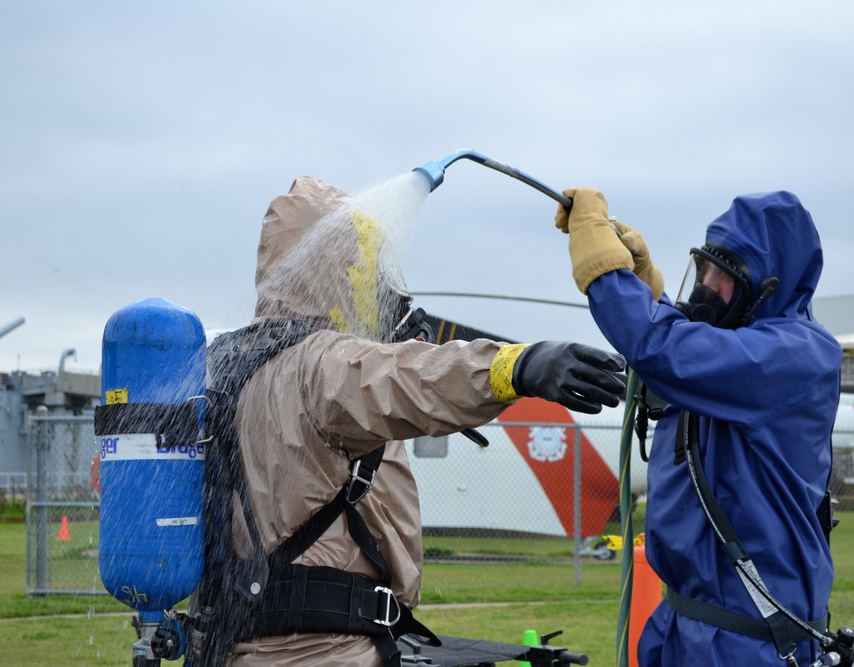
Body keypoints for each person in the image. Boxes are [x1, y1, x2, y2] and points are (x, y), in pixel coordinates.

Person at [193, 176, 628, 667]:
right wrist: (515, 367)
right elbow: (404, 380)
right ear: (334, 268)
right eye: (364, 268)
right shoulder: (319, 365)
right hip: (322, 652)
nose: (375, 284)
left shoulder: (233, 366)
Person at [552, 189, 842, 666]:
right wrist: (644, 280)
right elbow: (687, 342)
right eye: (703, 268)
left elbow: (667, 351)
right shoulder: (742, 350)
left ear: (766, 288)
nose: (706, 286)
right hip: (684, 625)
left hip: (748, 643)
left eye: (722, 275)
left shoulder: (797, 355)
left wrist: (603, 268)